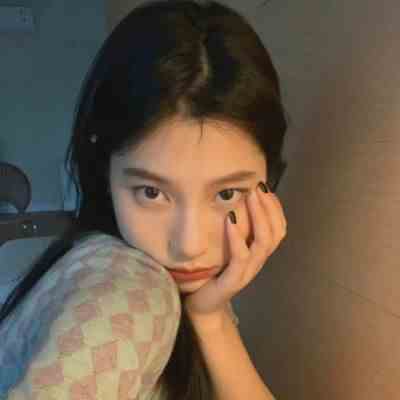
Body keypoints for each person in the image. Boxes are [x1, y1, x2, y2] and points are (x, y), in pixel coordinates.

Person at [0, 0, 289, 398]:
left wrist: (210, 318)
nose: (189, 245)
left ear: (268, 181)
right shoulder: (130, 293)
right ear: (105, 171)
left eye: (226, 194)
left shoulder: (163, 282)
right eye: (152, 192)